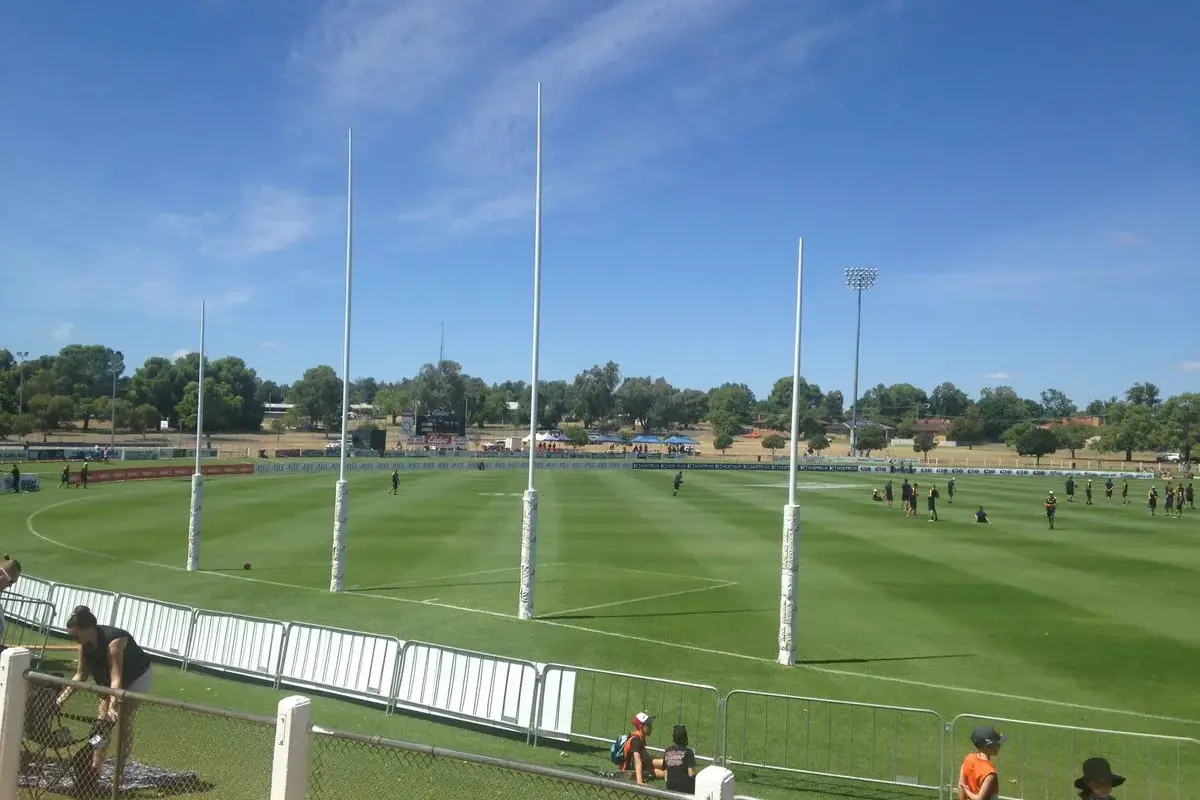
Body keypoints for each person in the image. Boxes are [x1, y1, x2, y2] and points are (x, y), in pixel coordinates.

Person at [56, 606, 154, 784]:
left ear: (90, 629)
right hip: (109, 683)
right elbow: (80, 676)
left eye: (76, 635)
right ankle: (95, 768)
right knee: (101, 724)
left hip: (135, 678)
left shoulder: (114, 643)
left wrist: (112, 706)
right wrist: (60, 700)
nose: (74, 640)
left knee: (123, 721)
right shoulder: (83, 647)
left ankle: (120, 770)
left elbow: (117, 680)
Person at [958, 724, 1003, 800]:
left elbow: (961, 786)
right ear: (987, 746)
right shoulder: (990, 773)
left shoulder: (968, 758)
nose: (1000, 746)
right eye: (997, 744)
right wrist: (968, 791)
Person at [653, 724, 697, 793]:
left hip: (670, 787)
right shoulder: (689, 752)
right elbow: (691, 773)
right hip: (684, 788)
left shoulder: (668, 750)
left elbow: (665, 771)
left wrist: (667, 780)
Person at [618, 712, 655, 785]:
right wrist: (639, 782)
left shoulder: (640, 737)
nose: (651, 728)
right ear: (641, 726)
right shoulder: (636, 740)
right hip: (628, 772)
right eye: (648, 725)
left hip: (639, 767)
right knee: (661, 768)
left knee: (663, 765)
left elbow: (645, 757)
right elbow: (638, 762)